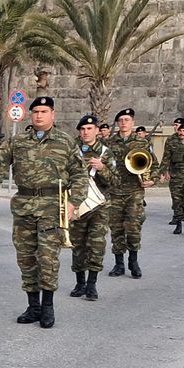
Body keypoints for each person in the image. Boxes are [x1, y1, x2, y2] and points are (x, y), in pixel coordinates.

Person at [0, 96, 88, 329]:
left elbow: (80, 175)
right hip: (24, 206)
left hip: (52, 206)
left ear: (53, 114)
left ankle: (48, 306)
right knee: (26, 258)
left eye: (44, 111)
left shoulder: (66, 142)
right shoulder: (19, 141)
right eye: (36, 111)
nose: (39, 115)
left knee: (47, 258)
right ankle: (33, 306)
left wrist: (73, 203)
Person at [69, 115, 118, 301]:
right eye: (82, 129)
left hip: (99, 206)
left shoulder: (105, 152)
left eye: (89, 129)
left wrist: (102, 168)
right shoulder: (72, 150)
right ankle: (80, 282)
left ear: (97, 131)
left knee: (96, 245)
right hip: (77, 205)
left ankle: (92, 284)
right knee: (78, 244)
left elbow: (116, 181)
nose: (85, 132)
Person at [107, 108, 159, 279]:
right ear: (117, 123)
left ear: (133, 123)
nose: (124, 123)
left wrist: (152, 179)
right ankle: (119, 263)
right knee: (116, 228)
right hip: (114, 191)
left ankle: (133, 261)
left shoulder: (142, 142)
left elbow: (154, 164)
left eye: (127, 120)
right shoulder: (109, 143)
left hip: (134, 191)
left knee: (133, 226)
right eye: (121, 120)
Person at [164, 118, 184, 225]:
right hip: (175, 173)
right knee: (176, 196)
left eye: (177, 124)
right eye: (174, 125)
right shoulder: (171, 139)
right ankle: (177, 216)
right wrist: (165, 171)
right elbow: (166, 157)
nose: (175, 127)